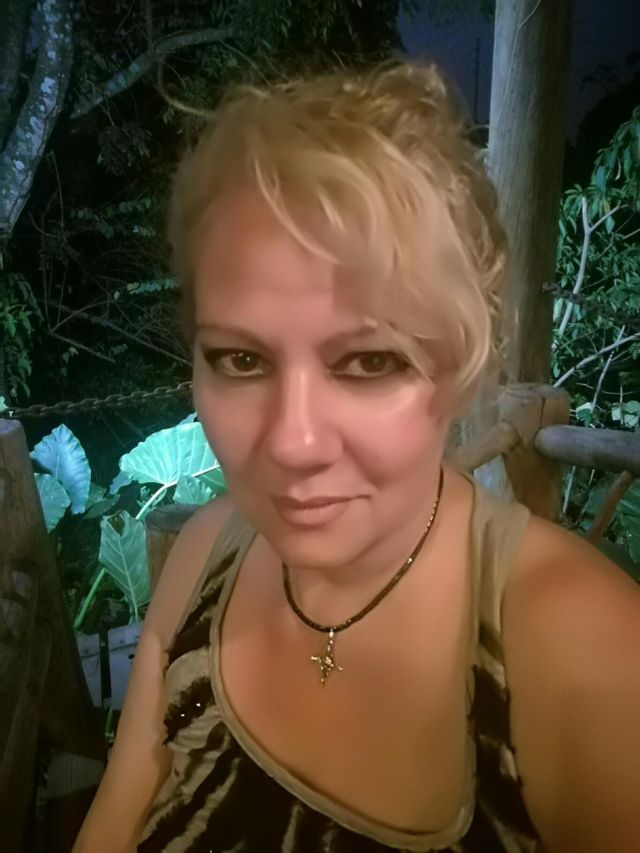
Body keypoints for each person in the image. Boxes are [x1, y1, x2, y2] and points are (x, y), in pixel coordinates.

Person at [73, 61, 640, 853]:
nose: (294, 443)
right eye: (241, 359)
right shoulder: (206, 556)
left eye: (370, 362)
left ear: (461, 368)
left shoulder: (582, 648)